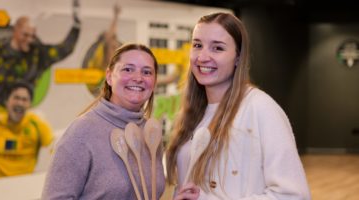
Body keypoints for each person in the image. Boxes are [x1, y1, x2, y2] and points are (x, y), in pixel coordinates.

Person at [166, 12, 311, 199]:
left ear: (238, 57)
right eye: (197, 45)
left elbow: (293, 195)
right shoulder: (193, 113)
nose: (202, 56)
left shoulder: (261, 108)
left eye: (217, 48)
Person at [42, 43, 165, 199]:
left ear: (154, 82)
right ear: (109, 76)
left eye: (147, 72)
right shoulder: (82, 132)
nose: (138, 78)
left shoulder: (150, 133)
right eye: (128, 69)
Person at [0, 0, 81, 107]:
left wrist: (76, 26)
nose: (29, 40)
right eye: (25, 35)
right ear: (15, 31)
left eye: (32, 36)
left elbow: (64, 49)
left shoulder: (38, 54)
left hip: (20, 114)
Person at [0, 81, 53, 178]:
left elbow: (55, 150)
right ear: (6, 101)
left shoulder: (38, 125)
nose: (20, 103)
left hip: (23, 187)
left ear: (30, 105)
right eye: (16, 98)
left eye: (24, 99)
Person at [82, 4, 122, 96]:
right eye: (113, 47)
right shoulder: (100, 54)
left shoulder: (115, 65)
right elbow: (110, 37)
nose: (116, 49)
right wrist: (116, 16)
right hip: (95, 86)